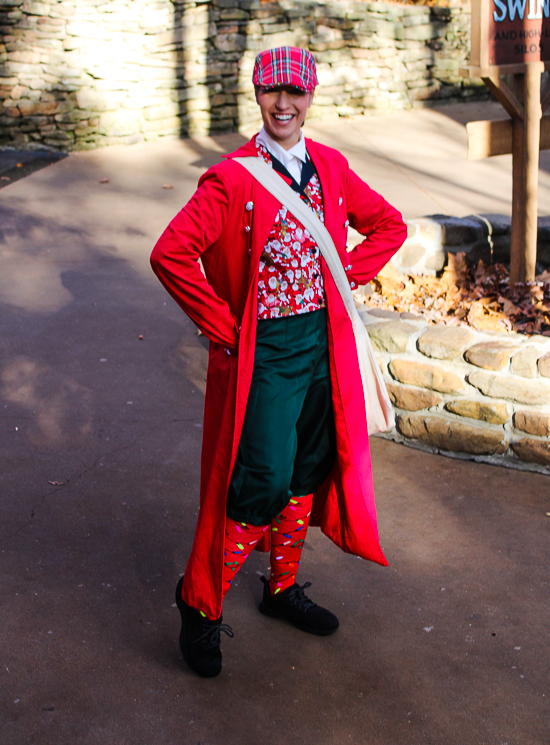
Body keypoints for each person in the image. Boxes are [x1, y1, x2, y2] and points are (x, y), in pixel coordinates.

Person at [150, 46, 407, 678]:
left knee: (309, 466)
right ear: (258, 96)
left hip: (322, 345)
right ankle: (199, 604)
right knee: (258, 479)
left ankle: (282, 588)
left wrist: (344, 277)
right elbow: (171, 253)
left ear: (311, 96)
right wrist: (224, 327)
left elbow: (389, 226)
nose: (284, 103)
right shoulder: (233, 177)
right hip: (264, 352)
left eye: (296, 92)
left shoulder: (330, 164)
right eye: (272, 92)